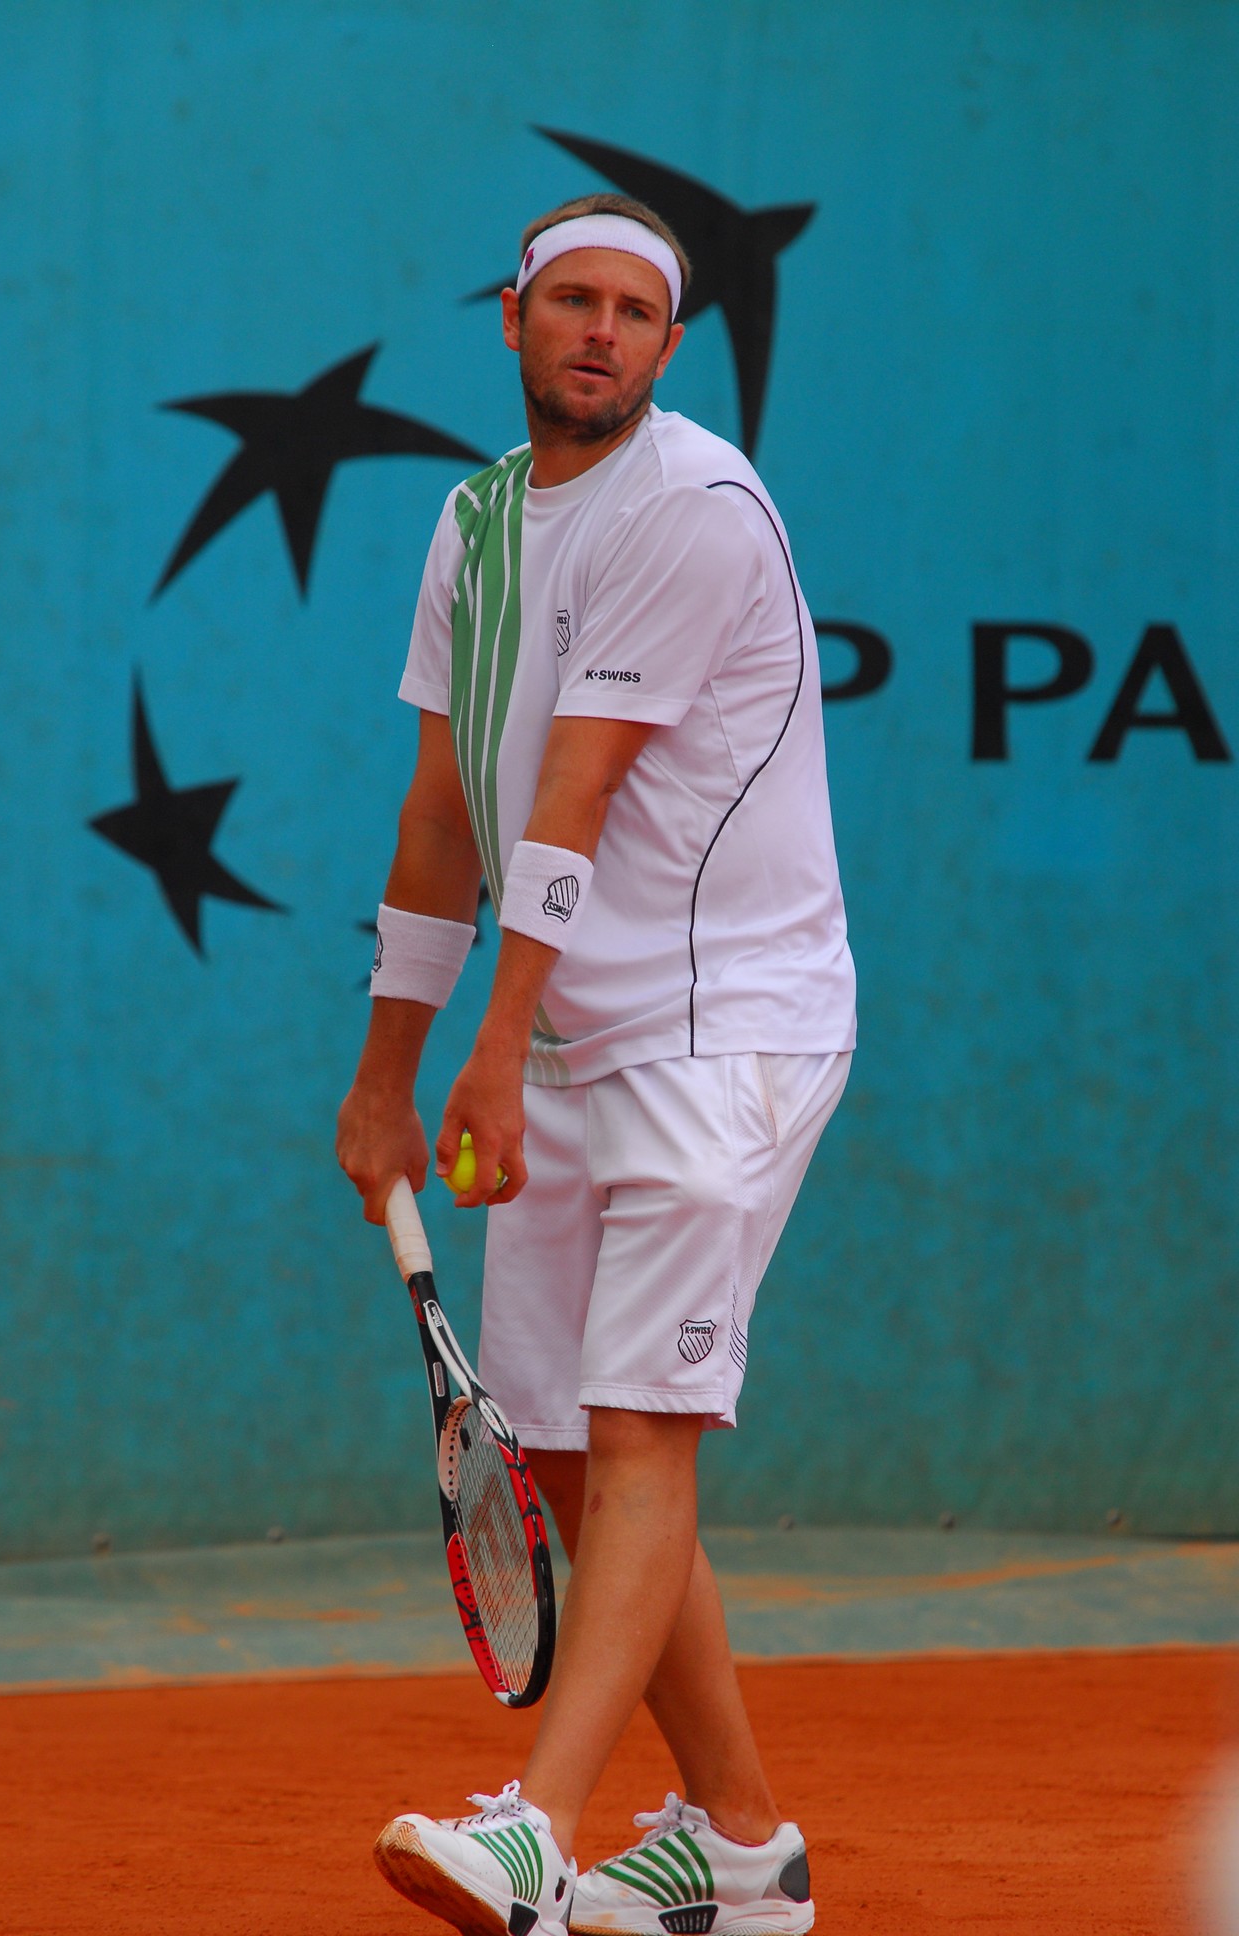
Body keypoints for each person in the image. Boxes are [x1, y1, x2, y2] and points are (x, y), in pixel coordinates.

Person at [336, 191, 856, 1936]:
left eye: (639, 311)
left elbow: (572, 795)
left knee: (638, 1431)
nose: (604, 332)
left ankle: (534, 1834)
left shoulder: (697, 507)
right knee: (560, 1449)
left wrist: (489, 1048)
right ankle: (744, 1852)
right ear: (513, 317)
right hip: (562, 1040)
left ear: (669, 345)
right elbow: (443, 809)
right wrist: (386, 1072)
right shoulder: (475, 527)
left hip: (727, 1035)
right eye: (576, 301)